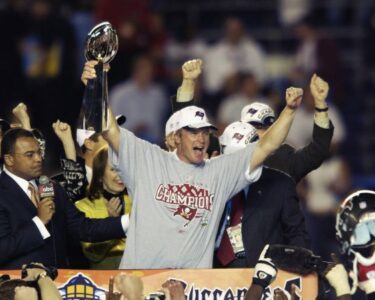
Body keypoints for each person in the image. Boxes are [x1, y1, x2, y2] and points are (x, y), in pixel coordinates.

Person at [87, 51, 302, 269]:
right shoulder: (148, 159)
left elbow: (267, 145)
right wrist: (96, 83)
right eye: (193, 132)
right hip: (142, 284)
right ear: (176, 137)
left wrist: (290, 110)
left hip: (192, 288)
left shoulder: (219, 171)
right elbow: (109, 129)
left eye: (205, 132)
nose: (201, 138)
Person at [0, 128, 129, 269]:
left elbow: (83, 228)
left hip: (60, 284)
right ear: (9, 159)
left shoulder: (52, 187)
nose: (38, 159)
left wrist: (129, 221)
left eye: (39, 152)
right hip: (19, 286)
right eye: (30, 155)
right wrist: (39, 223)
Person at [216, 121, 310, 268]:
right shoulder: (211, 180)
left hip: (262, 275)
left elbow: (296, 235)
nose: (236, 162)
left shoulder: (280, 185)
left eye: (242, 156)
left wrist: (299, 272)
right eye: (232, 156)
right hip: (209, 274)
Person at [75, 146, 132, 269]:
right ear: (100, 175)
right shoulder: (84, 207)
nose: (120, 175)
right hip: (104, 276)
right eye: (114, 169)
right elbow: (92, 254)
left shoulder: (138, 202)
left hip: (142, 273)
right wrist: (112, 225)